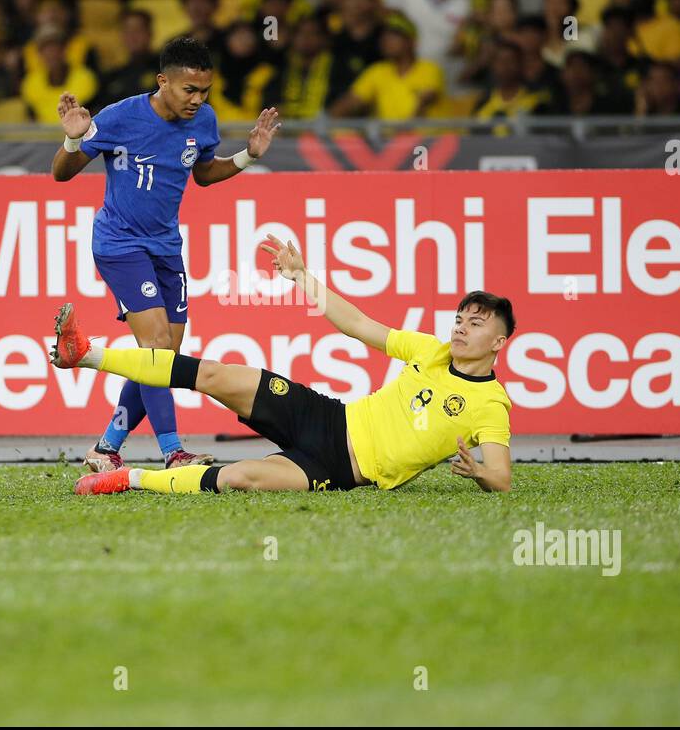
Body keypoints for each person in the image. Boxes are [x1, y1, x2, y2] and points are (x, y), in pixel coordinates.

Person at [50, 235, 514, 496]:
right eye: (458, 319)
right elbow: (355, 323)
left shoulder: (490, 404)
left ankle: (129, 478)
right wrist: (300, 277)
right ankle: (87, 354)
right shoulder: (429, 351)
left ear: (498, 341)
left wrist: (479, 475)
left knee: (240, 477)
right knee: (213, 374)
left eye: (473, 324)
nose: (459, 329)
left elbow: (502, 477)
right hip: (327, 415)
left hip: (341, 467)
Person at [49, 37, 281, 473]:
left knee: (162, 358)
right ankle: (174, 452)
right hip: (120, 244)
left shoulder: (205, 121)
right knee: (155, 347)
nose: (197, 100)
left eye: (204, 91)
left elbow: (205, 174)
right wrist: (75, 140)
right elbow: (61, 174)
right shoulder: (119, 117)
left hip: (166, 247)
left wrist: (249, 155)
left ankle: (106, 447)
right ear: (163, 82)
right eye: (188, 90)